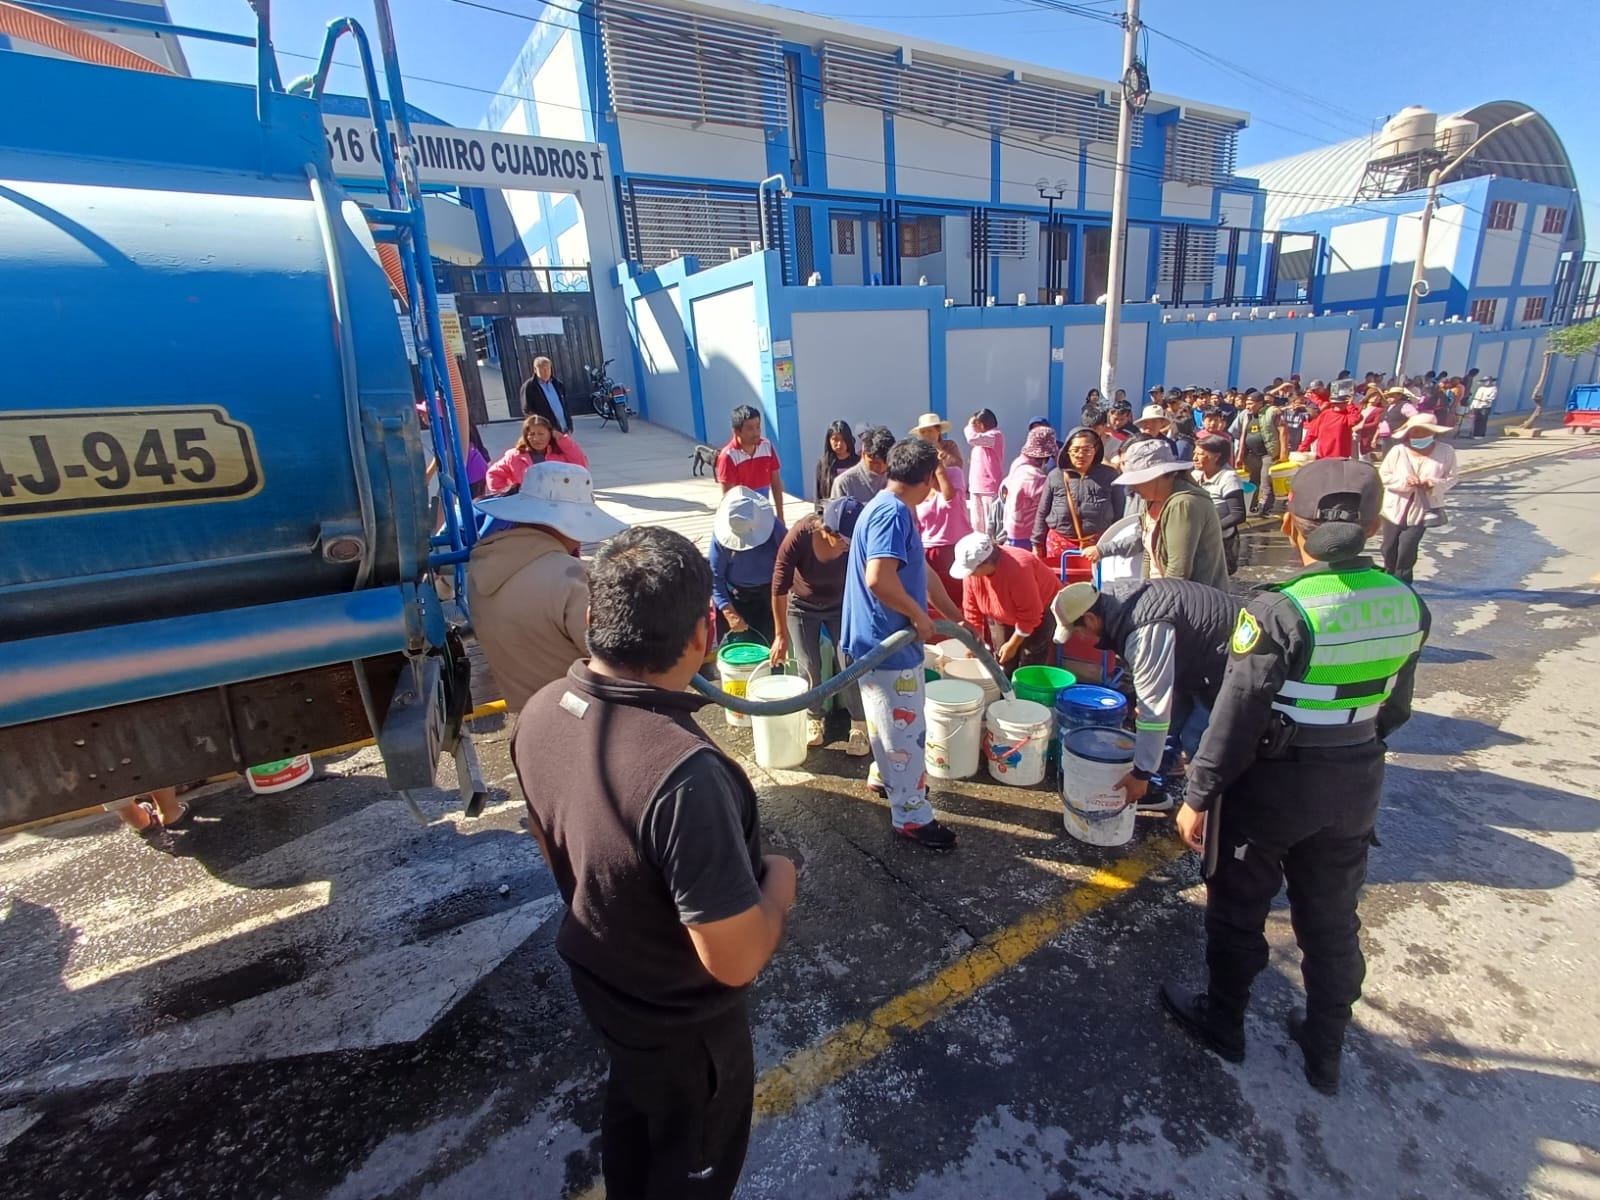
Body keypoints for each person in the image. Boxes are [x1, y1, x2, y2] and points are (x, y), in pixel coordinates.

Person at [514, 526, 797, 1199]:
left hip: (605, 986)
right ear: (703, 635)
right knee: (688, 1161)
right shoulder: (684, 777)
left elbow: (547, 835)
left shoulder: (542, 710)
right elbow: (733, 958)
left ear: (591, 621)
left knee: (635, 1132)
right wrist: (779, 886)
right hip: (682, 1027)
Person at [1160, 459, 1428, 1096]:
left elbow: (1234, 715)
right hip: (1357, 777)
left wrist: (1198, 795)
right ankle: (1325, 1048)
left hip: (1272, 784)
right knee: (1333, 918)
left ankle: (1224, 1022)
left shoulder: (1282, 609)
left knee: (1239, 905)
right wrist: (1353, 747)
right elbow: (1396, 709)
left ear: (1291, 525)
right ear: (1371, 525)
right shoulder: (1407, 603)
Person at [841, 437, 963, 852]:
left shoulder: (889, 506)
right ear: (928, 478)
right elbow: (879, 578)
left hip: (878, 640)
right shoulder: (891, 514)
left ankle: (883, 776)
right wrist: (917, 615)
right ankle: (911, 815)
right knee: (905, 729)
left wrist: (951, 613)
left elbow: (922, 569)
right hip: (886, 643)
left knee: (888, 720)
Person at [1051, 576, 1238, 811]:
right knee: (1172, 720)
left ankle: (1211, 815)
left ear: (1090, 618)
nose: (1081, 639)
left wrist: (1140, 772)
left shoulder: (1143, 631)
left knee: (1199, 741)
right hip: (1193, 658)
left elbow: (1153, 711)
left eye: (1078, 631)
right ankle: (1154, 790)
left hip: (1229, 661)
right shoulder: (1114, 597)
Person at [471, 464, 628, 711]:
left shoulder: (485, 563)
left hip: (528, 716)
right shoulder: (570, 578)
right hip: (582, 717)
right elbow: (616, 661)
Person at [769, 496, 869, 754]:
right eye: (844, 540)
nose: (848, 545)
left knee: (849, 662)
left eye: (852, 539)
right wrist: (780, 635)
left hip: (841, 605)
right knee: (808, 663)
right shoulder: (800, 535)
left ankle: (859, 723)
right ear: (828, 531)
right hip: (802, 605)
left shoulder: (856, 543)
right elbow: (779, 585)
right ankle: (815, 717)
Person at [1087, 439, 1229, 592]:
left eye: (1138, 480)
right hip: (1163, 592)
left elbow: (1178, 571)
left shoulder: (1183, 504)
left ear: (1158, 476)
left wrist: (1160, 604)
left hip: (1195, 599)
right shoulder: (1150, 500)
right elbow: (1146, 548)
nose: (1132, 487)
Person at [950, 531, 1063, 668]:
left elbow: (1031, 614)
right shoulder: (972, 574)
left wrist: (1013, 644)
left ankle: (1027, 686)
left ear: (986, 564)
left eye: (972, 571)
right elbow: (971, 608)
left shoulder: (1019, 569)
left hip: (1041, 608)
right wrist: (974, 641)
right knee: (1002, 656)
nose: (970, 575)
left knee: (1030, 656)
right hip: (1001, 610)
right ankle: (1005, 687)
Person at [1378, 415, 1458, 583]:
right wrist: (1404, 482)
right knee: (1388, 548)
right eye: (1414, 431)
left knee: (1407, 549)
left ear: (1433, 432)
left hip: (1422, 510)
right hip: (1393, 508)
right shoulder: (1398, 451)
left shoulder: (1446, 451)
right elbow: (1384, 476)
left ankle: (1404, 582)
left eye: (1423, 431)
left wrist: (1433, 484)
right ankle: (1389, 576)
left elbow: (1452, 478)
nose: (1418, 435)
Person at [1033, 426, 1124, 571]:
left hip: (1098, 546)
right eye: (1075, 450)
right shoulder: (1055, 475)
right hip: (1059, 546)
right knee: (1060, 589)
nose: (1081, 455)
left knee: (1095, 588)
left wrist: (1114, 545)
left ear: (1096, 450)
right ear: (1067, 451)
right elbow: (1042, 512)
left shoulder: (1110, 475)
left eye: (1087, 449)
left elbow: (1120, 513)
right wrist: (1037, 543)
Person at [909, 412, 972, 609]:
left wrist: (938, 466)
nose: (928, 434)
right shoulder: (918, 481)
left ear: (938, 432)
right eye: (924, 432)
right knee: (934, 601)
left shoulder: (953, 470)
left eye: (931, 430)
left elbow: (950, 498)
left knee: (959, 598)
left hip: (955, 545)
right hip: (929, 549)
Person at [710, 487, 785, 643]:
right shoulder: (719, 539)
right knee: (740, 649)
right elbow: (714, 577)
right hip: (737, 597)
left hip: (771, 595)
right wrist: (729, 612)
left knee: (772, 646)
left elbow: (790, 561)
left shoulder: (775, 529)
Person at [486, 414, 590, 494]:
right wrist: (505, 495)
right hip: (528, 506)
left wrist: (562, 440)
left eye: (541, 434)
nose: (536, 439)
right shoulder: (515, 456)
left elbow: (581, 465)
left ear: (550, 434)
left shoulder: (559, 454)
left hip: (558, 504)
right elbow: (493, 474)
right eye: (531, 434)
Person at [716, 405, 785, 524]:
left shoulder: (766, 446)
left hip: (764, 513)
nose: (756, 432)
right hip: (742, 519)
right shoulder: (728, 456)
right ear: (737, 431)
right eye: (750, 429)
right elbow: (728, 498)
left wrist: (780, 515)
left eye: (758, 427)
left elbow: (776, 483)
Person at [1000, 425, 1059, 550]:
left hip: (1011, 528)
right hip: (1028, 534)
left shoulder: (1017, 464)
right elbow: (1049, 504)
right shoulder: (1036, 477)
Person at [1193, 436, 1246, 575]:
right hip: (1198, 538)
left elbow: (1238, 514)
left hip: (1220, 541)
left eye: (1200, 454)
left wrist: (1211, 529)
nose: (1195, 458)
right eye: (1195, 453)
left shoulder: (1229, 478)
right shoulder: (1195, 475)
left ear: (1216, 457)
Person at [1228, 390, 1282, 515]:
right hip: (1251, 455)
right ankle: (1251, 506)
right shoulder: (1246, 415)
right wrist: (1240, 455)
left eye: (1251, 403)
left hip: (1267, 454)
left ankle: (1263, 507)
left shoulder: (1271, 413)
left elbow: (1283, 432)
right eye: (1247, 403)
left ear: (1260, 403)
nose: (1247, 406)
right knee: (1253, 482)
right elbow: (1240, 435)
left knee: (1265, 481)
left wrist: (1283, 453)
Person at [963, 408, 1005, 533]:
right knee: (977, 525)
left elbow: (972, 439)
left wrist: (969, 425)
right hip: (976, 487)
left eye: (975, 424)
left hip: (989, 488)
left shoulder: (995, 435)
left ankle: (991, 550)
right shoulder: (984, 439)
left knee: (989, 524)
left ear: (981, 424)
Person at [830, 425, 893, 505]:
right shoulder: (844, 483)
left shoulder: (896, 479)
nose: (881, 468)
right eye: (874, 463)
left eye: (886, 462)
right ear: (863, 453)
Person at [1302, 379, 1364, 459]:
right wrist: (1302, 448)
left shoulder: (1346, 417)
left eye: (1341, 402)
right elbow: (1312, 433)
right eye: (1336, 403)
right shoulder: (1325, 414)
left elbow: (1357, 418)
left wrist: (1350, 405)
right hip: (1322, 456)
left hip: (1340, 458)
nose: (1339, 405)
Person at [521, 356, 572, 434]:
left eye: (548, 368)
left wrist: (570, 427)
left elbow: (565, 406)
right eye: (542, 369)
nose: (546, 372)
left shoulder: (558, 384)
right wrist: (544, 430)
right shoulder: (530, 387)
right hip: (546, 433)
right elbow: (528, 412)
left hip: (563, 430)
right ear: (535, 370)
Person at [813, 420, 859, 508]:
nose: (839, 444)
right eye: (835, 439)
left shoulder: (858, 463)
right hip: (830, 512)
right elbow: (818, 496)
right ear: (829, 441)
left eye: (843, 439)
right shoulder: (823, 464)